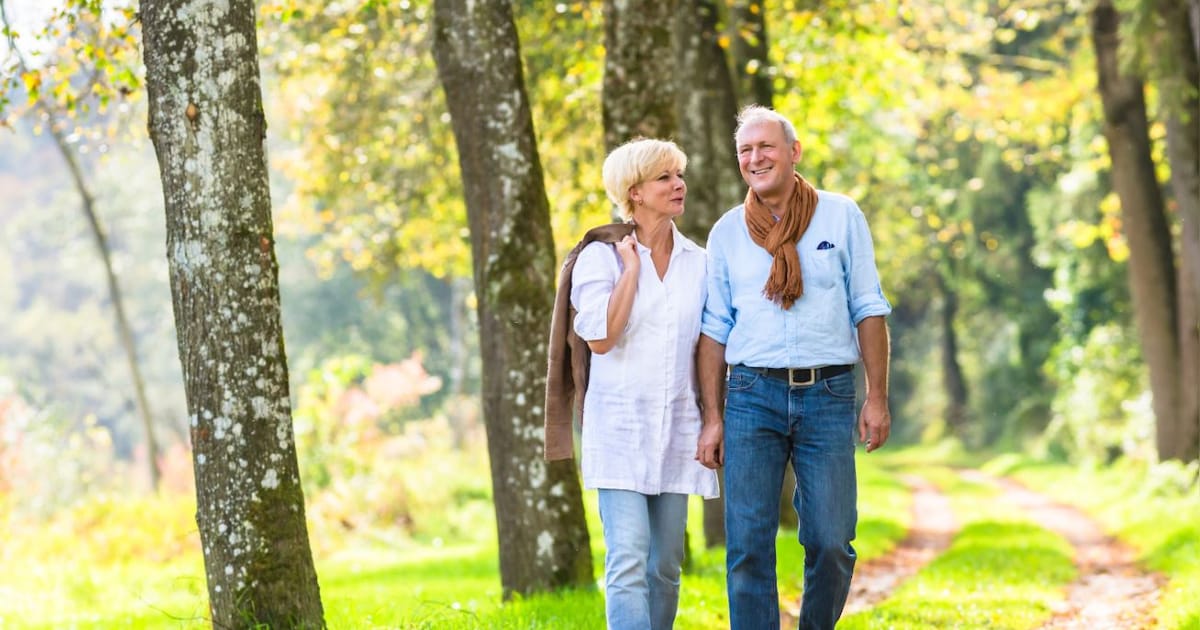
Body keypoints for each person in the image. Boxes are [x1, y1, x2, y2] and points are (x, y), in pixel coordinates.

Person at [694, 105, 893, 630]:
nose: (755, 158)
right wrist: (712, 416)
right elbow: (714, 329)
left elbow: (868, 307)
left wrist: (876, 397)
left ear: (793, 152)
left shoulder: (840, 215)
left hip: (827, 394)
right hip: (750, 394)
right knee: (747, 546)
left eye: (766, 147)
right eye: (745, 150)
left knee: (831, 540)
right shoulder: (727, 234)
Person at [546, 137, 719, 630]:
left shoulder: (699, 262)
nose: (679, 184)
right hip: (619, 429)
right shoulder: (599, 259)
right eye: (665, 177)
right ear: (634, 191)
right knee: (627, 561)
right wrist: (631, 273)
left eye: (679, 174)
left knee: (665, 566)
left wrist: (713, 418)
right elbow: (600, 338)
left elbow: (710, 345)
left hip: (677, 429)